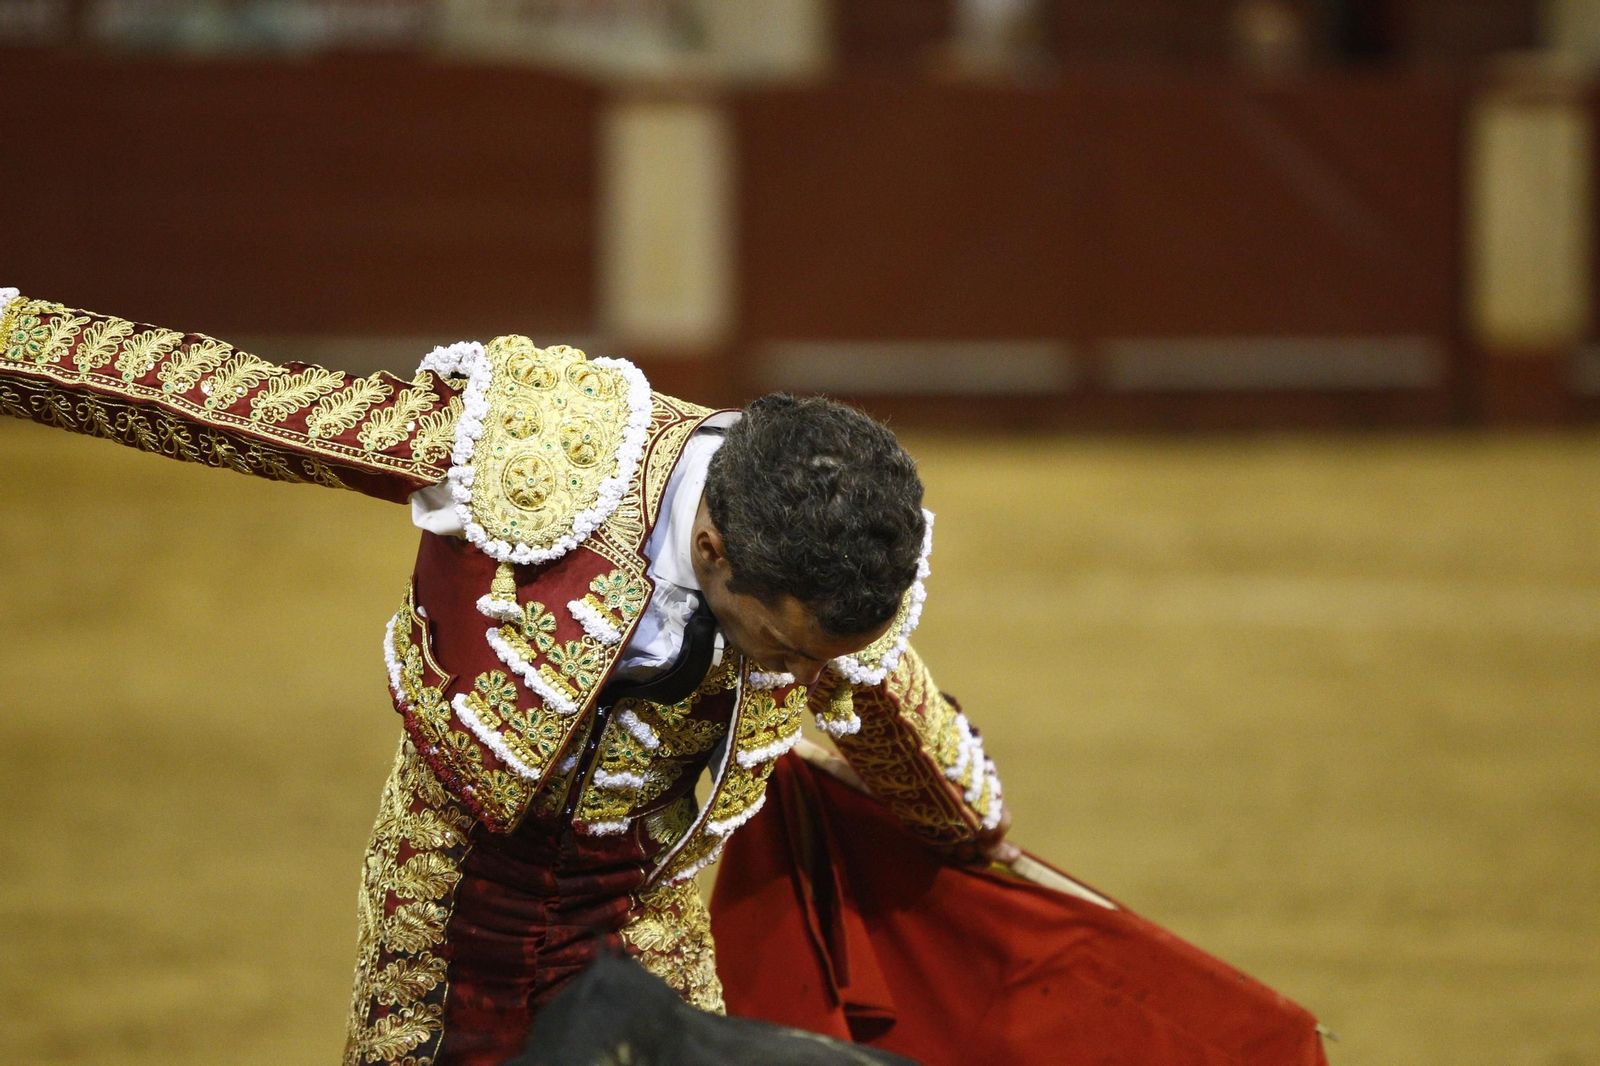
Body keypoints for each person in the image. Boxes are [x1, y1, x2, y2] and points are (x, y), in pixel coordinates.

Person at [0, 287, 1013, 1066]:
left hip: (642, 928)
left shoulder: (831, 580)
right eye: (777, 644)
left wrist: (985, 845)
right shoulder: (533, 456)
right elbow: (232, 404)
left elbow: (928, 767)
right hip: (440, 909)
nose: (798, 678)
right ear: (711, 544)